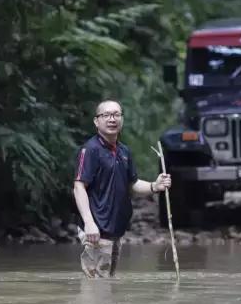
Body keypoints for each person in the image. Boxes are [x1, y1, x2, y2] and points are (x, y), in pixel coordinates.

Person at [73, 100, 171, 278]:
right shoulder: (90, 150)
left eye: (116, 114)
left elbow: (132, 184)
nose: (112, 119)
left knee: (106, 285)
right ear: (96, 121)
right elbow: (79, 186)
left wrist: (154, 186)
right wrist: (89, 223)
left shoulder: (124, 152)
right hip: (97, 229)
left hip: (115, 229)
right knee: (97, 287)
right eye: (106, 115)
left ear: (122, 119)